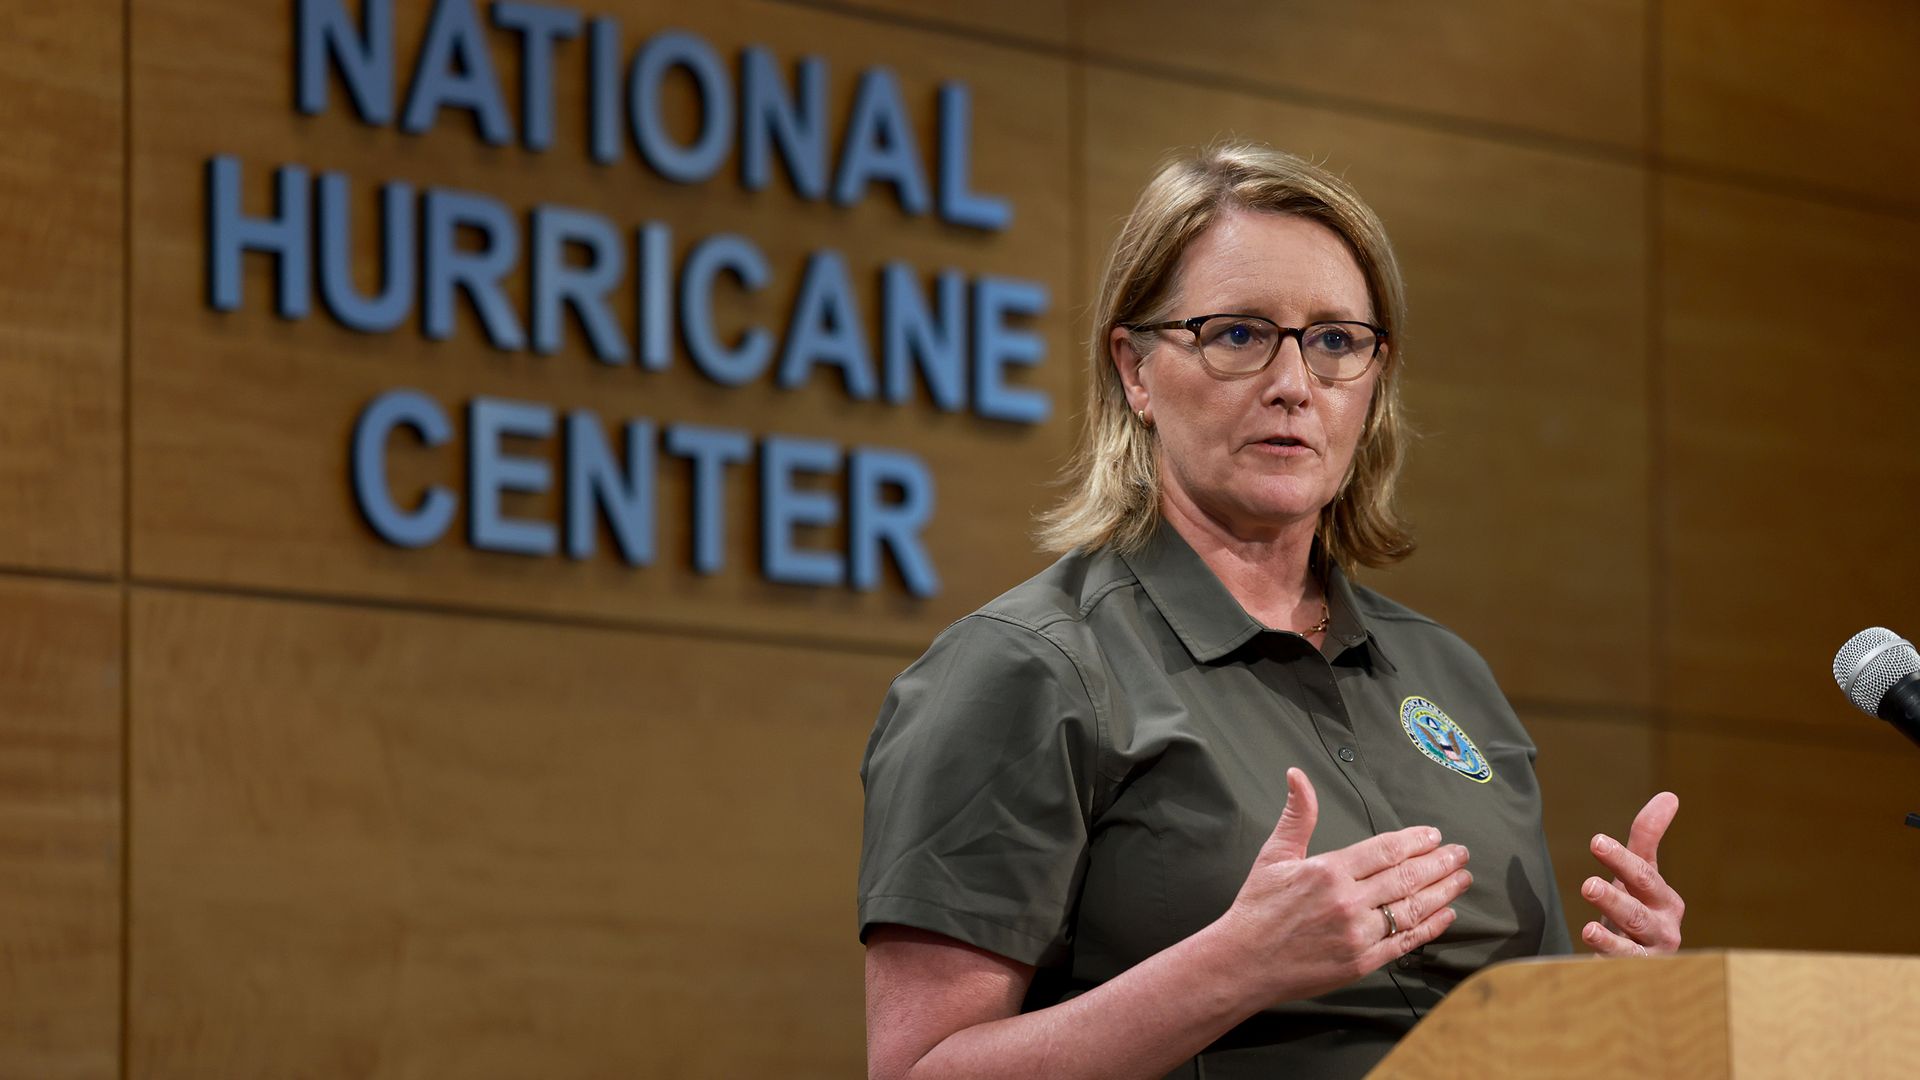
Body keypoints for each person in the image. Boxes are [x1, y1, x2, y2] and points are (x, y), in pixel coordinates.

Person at [857, 142, 1685, 1080]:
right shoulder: (1026, 669)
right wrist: (1234, 968)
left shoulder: (1449, 673)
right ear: (1135, 370)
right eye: (1240, 334)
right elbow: (919, 1069)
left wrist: (1617, 1009)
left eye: (1334, 342)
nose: (1293, 383)